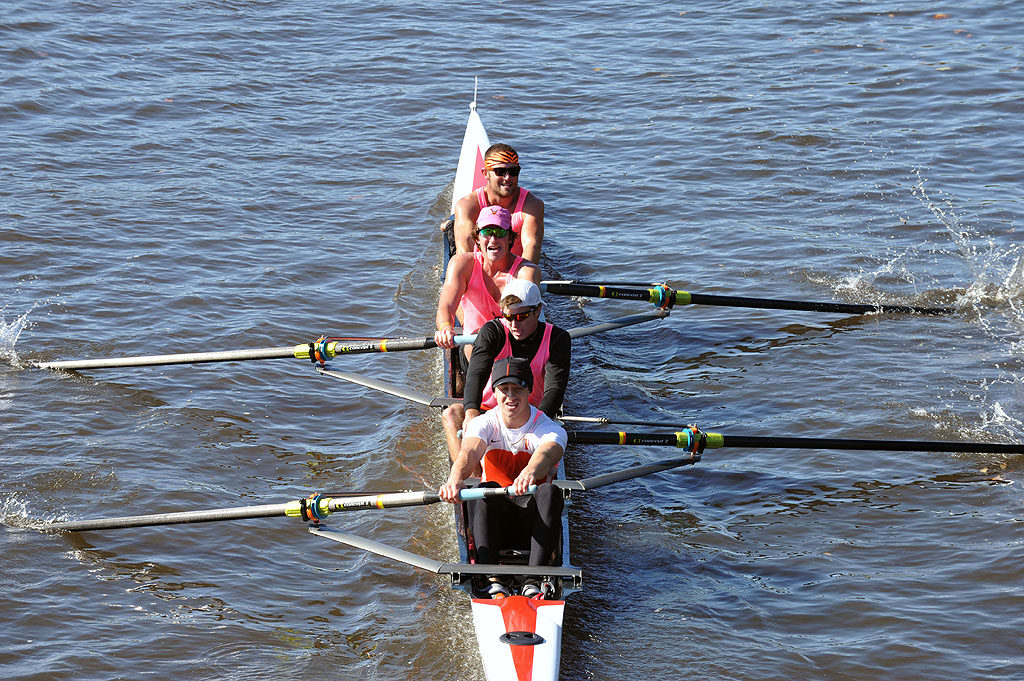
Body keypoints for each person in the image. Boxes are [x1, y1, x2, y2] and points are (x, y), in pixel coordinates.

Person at [438, 357, 567, 598]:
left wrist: (529, 472)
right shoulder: (483, 423)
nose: (511, 396)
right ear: (494, 393)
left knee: (550, 492)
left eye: (517, 388)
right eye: (504, 389)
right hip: (495, 522)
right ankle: (491, 580)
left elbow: (548, 452)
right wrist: (455, 477)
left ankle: (534, 580)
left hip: (534, 523)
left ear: (529, 390)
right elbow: (469, 452)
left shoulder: (548, 427)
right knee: (485, 490)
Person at [441, 278, 570, 464]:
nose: (514, 325)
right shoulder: (493, 331)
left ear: (538, 311)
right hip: (490, 409)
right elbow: (476, 374)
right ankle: (477, 482)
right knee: (451, 415)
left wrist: (532, 427)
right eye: (508, 317)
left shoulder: (558, 339)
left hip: (532, 414)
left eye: (521, 317)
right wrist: (471, 413)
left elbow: (555, 390)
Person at [434, 205, 540, 357]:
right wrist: (445, 328)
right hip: (475, 345)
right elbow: (445, 308)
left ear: (510, 238)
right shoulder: (462, 265)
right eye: (487, 233)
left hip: (513, 345)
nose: (493, 239)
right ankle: (452, 229)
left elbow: (525, 320)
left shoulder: (526, 272)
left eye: (499, 232)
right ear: (477, 237)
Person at [452, 144, 545, 263]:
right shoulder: (466, 205)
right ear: (486, 174)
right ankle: (451, 225)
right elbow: (465, 254)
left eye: (513, 171)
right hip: (481, 266)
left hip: (516, 268)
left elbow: (531, 247)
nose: (507, 178)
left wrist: (524, 279)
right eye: (500, 171)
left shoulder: (532, 205)